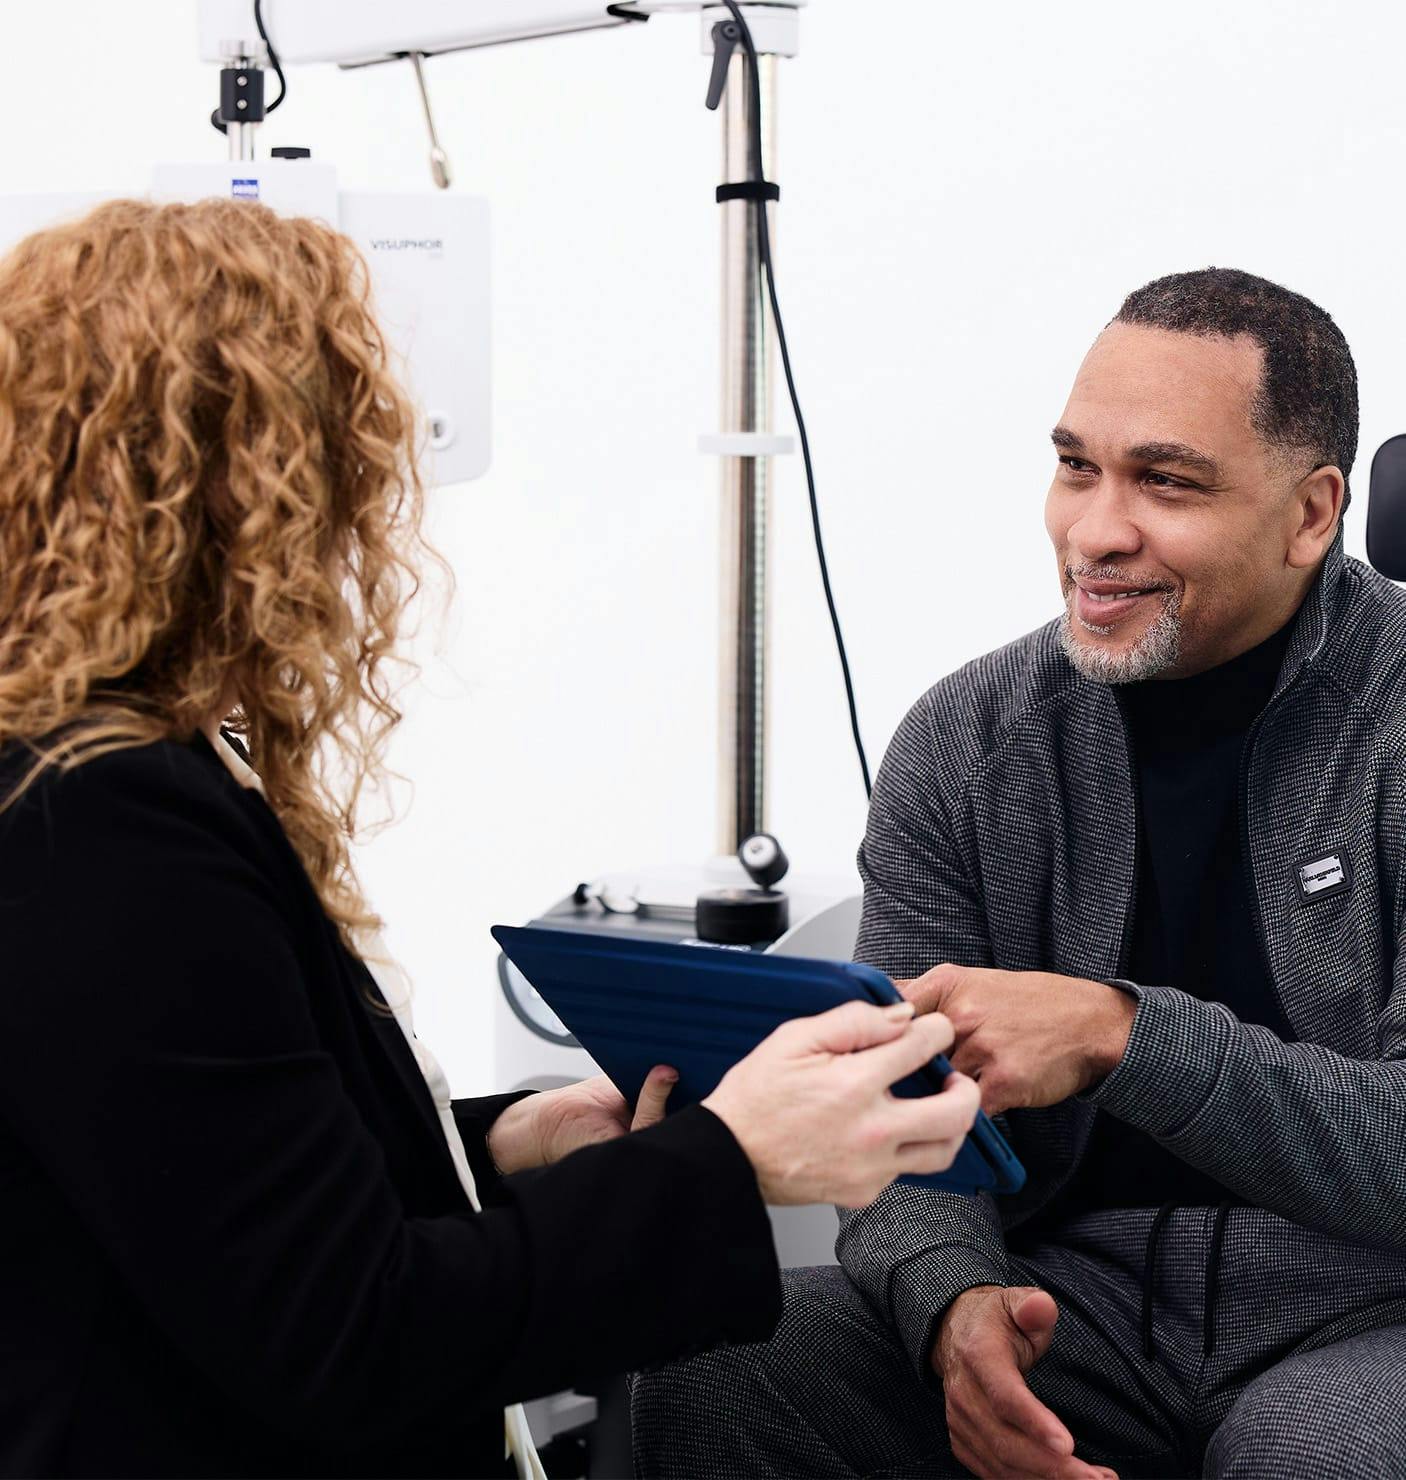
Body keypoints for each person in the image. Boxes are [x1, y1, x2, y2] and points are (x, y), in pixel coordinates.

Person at [0, 197, 983, 1480]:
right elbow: (354, 1331)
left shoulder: (87, 766)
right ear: (247, 485)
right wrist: (730, 1156)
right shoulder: (101, 819)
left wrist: (498, 1144)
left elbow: (227, 1197)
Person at [631, 268, 1406, 1479]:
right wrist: (951, 1307)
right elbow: (892, 1108)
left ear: (1311, 514)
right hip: (1072, 1288)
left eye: (1164, 480)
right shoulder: (968, 739)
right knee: (729, 1357)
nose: (1094, 530)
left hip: (1370, 1306)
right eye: (1074, 467)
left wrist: (1120, 1036)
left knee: (1318, 1451)